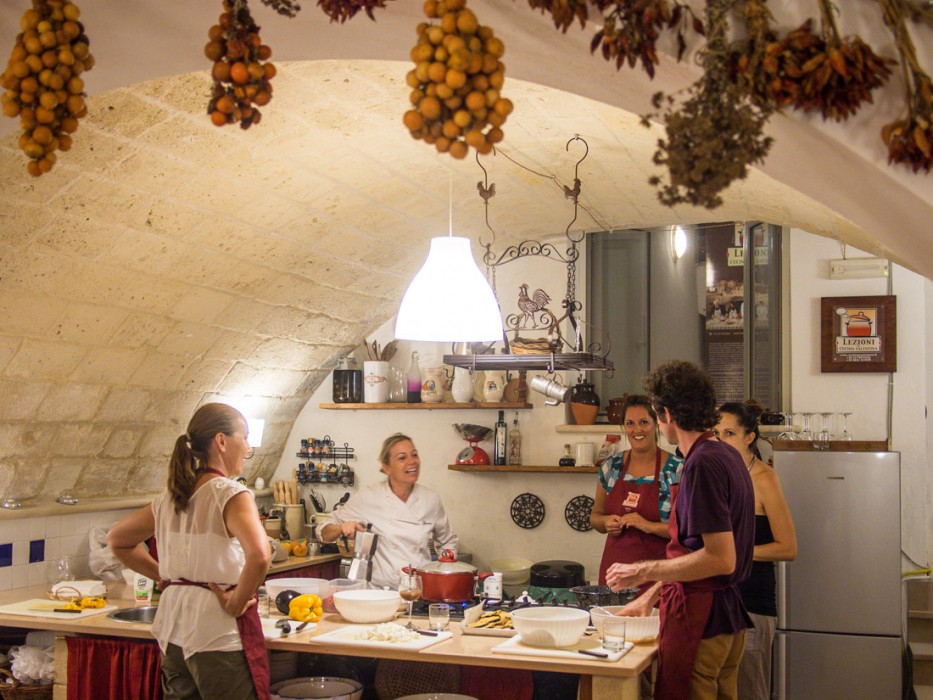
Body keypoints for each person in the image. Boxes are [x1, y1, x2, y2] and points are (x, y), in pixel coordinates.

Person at [606, 360, 755, 700]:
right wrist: (649, 596)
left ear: (667, 415)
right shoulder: (726, 455)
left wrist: (643, 569)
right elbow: (690, 553)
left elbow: (719, 559)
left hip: (701, 623)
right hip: (725, 622)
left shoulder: (702, 464)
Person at [107, 403, 271, 700]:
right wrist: (236, 603)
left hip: (173, 632)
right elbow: (260, 555)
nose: (247, 448)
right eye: (244, 438)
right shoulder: (231, 493)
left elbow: (118, 540)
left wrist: (170, 577)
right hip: (216, 632)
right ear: (222, 441)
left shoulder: (171, 496)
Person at [714, 401, 797, 700]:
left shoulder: (765, 478)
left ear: (749, 437)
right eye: (716, 433)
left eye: (729, 433)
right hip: (716, 602)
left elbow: (788, 548)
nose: (720, 441)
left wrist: (737, 552)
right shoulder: (716, 476)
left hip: (751, 604)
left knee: (749, 692)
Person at [319, 433, 458, 589]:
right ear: (386, 468)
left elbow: (447, 542)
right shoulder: (369, 497)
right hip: (378, 594)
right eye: (402, 458)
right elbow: (323, 531)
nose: (412, 462)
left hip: (418, 592)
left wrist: (444, 570)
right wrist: (340, 529)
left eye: (414, 455)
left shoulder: (430, 499)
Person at [590, 394, 683, 589]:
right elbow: (595, 517)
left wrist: (647, 525)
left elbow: (686, 531)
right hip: (614, 576)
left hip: (658, 579)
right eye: (630, 423)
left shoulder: (676, 470)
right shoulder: (611, 467)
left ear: (656, 424)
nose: (637, 430)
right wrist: (606, 522)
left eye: (644, 422)